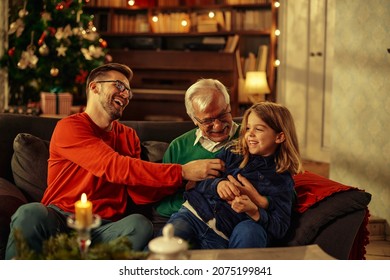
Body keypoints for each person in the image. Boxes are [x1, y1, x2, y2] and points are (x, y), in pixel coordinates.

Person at [5, 63, 225, 259]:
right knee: (29, 212)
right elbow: (113, 166)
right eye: (119, 86)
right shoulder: (70, 126)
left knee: (139, 224)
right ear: (94, 87)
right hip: (61, 220)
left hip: (105, 229)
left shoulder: (128, 136)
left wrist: (180, 183)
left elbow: (138, 194)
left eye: (129, 90)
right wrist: (182, 172)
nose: (126, 94)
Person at [163, 102, 304, 249]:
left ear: (280, 137)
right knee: (161, 251)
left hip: (222, 235)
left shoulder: (281, 179)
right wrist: (218, 185)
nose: (250, 134)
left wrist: (254, 211)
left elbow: (280, 227)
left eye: (259, 129)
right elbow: (195, 184)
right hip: (192, 216)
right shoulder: (232, 152)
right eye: (248, 128)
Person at [154, 78, 240, 222]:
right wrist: (198, 200)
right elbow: (162, 205)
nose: (218, 126)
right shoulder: (178, 147)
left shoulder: (253, 137)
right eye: (207, 121)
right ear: (194, 119)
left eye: (223, 115)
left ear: (229, 105)